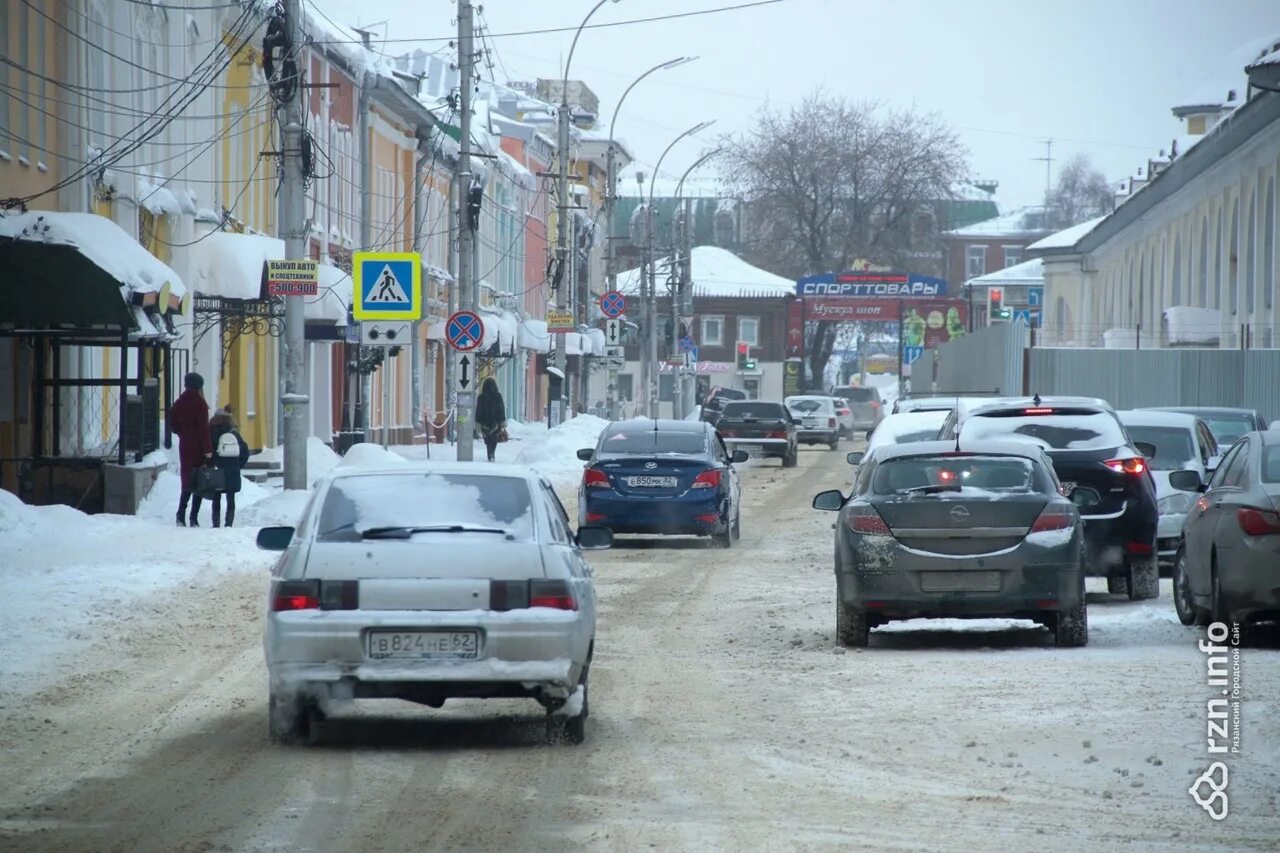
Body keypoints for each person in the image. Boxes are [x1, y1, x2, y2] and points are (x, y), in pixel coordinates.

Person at [169, 372, 212, 527]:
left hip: (185, 445)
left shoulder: (179, 402)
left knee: (186, 480)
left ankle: (180, 515)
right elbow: (203, 429)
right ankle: (193, 517)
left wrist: (182, 433)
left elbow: (172, 424)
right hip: (199, 447)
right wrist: (208, 450)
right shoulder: (200, 404)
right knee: (199, 480)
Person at [208, 407, 250, 528]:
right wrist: (238, 465)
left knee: (216, 496)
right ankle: (229, 523)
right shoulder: (234, 434)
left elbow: (208, 450)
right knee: (230, 497)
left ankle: (216, 523)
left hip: (218, 469)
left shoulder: (212, 433)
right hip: (233, 470)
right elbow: (244, 452)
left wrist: (211, 463)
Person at [474, 377, 507, 462]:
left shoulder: (481, 397)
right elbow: (501, 409)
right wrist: (502, 420)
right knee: (494, 438)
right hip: (496, 422)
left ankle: (489, 453)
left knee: (487, 439)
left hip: (485, 422)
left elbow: (478, 410)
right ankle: (492, 453)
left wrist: (478, 421)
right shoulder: (498, 396)